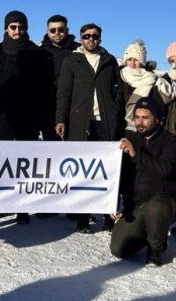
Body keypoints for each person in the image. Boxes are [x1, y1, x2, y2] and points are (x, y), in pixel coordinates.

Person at [55, 23, 124, 232]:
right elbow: (64, 92)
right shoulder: (72, 60)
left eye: (94, 36)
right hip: (80, 123)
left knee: (107, 170)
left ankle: (108, 215)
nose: (90, 40)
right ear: (81, 38)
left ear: (100, 39)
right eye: (86, 36)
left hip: (106, 122)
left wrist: (116, 111)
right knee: (83, 170)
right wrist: (61, 119)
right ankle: (83, 217)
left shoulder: (110, 61)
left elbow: (118, 90)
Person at [0, 10, 53, 224]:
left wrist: (39, 117)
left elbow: (44, 88)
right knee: (3, 161)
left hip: (28, 116)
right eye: (13, 27)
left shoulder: (36, 52)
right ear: (6, 29)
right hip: (3, 115)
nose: (17, 30)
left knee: (24, 163)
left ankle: (22, 207)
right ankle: (3, 202)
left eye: (21, 27)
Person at [109, 97, 176, 267]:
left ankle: (156, 249)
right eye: (137, 117)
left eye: (145, 118)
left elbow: (165, 170)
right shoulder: (130, 138)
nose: (140, 122)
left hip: (164, 201)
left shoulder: (171, 142)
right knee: (119, 249)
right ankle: (149, 232)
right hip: (138, 204)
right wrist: (115, 203)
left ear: (157, 119)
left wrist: (137, 155)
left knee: (155, 207)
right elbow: (122, 177)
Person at [40, 14, 77, 141]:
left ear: (66, 30)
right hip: (48, 105)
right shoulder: (40, 52)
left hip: (73, 104)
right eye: (53, 30)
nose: (57, 33)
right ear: (47, 32)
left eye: (61, 30)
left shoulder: (78, 51)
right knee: (50, 146)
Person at [119, 39, 157, 132]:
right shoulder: (119, 77)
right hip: (120, 125)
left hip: (145, 127)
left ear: (142, 61)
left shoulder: (151, 79)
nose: (132, 63)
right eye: (129, 59)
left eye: (136, 59)